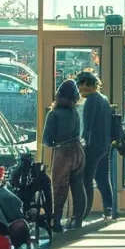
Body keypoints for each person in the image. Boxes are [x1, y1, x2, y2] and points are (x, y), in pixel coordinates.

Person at [42, 79, 86, 232]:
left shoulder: (54, 114)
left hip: (63, 152)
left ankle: (57, 222)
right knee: (78, 186)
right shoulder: (75, 112)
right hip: (78, 151)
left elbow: (47, 140)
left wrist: (54, 142)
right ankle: (77, 219)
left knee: (59, 188)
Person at [76, 71, 115, 221]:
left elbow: (88, 125)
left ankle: (84, 212)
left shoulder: (91, 100)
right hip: (105, 145)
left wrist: (83, 143)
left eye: (80, 85)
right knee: (103, 178)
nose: (79, 89)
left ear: (86, 84)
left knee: (86, 179)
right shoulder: (103, 99)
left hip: (93, 146)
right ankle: (108, 209)